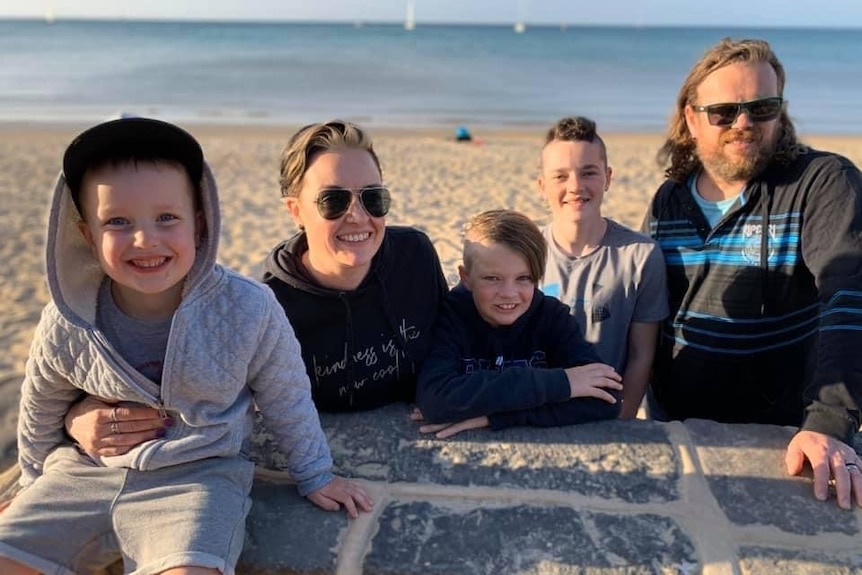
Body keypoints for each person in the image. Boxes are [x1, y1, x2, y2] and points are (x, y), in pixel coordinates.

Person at [0, 117, 371, 574]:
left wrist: (316, 474)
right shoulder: (67, 318)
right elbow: (40, 404)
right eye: (117, 221)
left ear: (199, 223)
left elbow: (286, 394)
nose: (145, 239)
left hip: (197, 479)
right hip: (80, 475)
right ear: (87, 236)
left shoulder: (247, 308)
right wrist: (32, 483)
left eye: (166, 218)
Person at [64, 120, 449, 455]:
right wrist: (78, 417)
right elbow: (177, 388)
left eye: (373, 197)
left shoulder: (414, 255)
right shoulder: (262, 306)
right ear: (295, 210)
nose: (358, 215)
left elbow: (462, 336)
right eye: (333, 201)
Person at [642, 37, 862, 509]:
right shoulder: (669, 199)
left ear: (780, 114)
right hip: (675, 426)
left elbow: (848, 295)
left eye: (761, 108)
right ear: (691, 118)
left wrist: (830, 422)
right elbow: (645, 309)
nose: (744, 123)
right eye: (724, 111)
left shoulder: (822, 182)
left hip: (779, 436)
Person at [414, 209, 623, 438]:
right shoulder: (450, 317)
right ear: (466, 278)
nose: (509, 293)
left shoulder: (552, 317)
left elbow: (607, 398)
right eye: (492, 279)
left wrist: (497, 416)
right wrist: (560, 383)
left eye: (523, 278)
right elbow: (435, 400)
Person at [537, 116, 668, 418]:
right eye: (560, 176)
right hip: (536, 410)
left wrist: (623, 422)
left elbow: (641, 354)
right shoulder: (525, 252)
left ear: (608, 178)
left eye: (588, 172)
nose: (575, 186)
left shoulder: (641, 255)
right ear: (542, 186)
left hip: (605, 415)